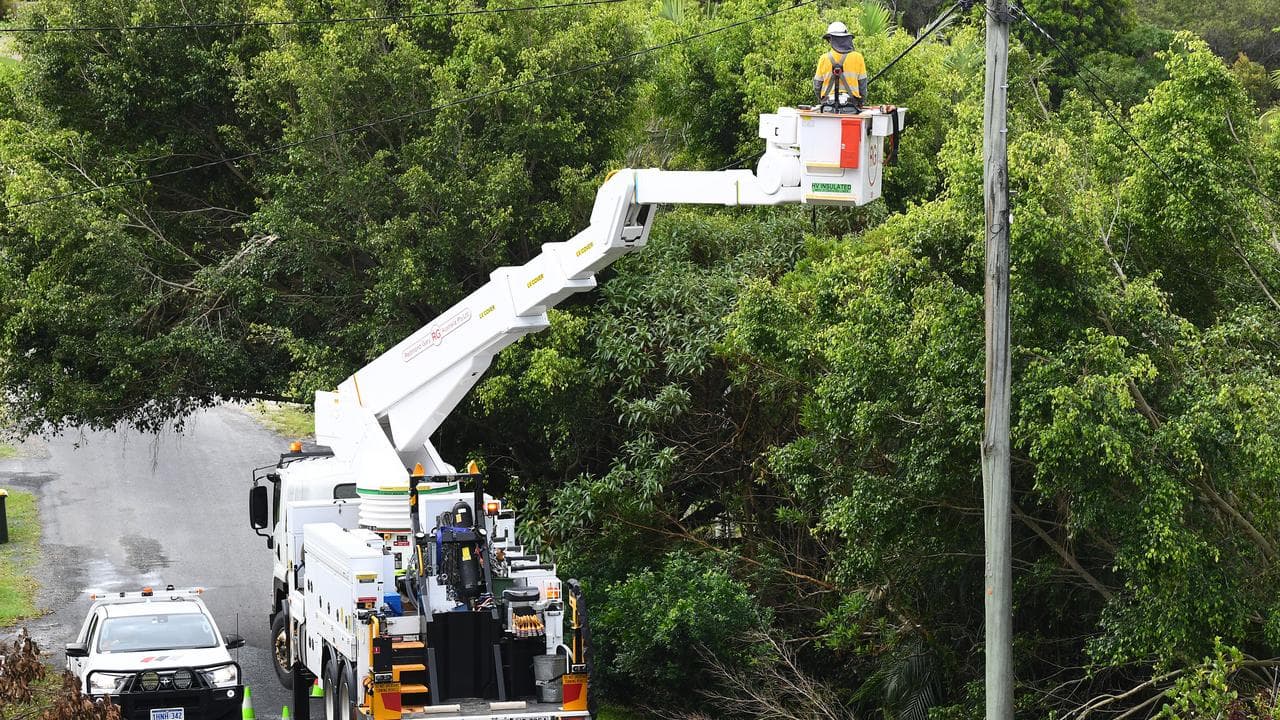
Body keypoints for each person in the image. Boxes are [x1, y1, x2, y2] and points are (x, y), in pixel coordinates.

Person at [813, 21, 868, 112]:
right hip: (850, 108)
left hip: (828, 107)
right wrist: (861, 102)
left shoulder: (824, 58)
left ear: (830, 40)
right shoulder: (858, 57)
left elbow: (817, 86)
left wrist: (823, 100)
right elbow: (862, 86)